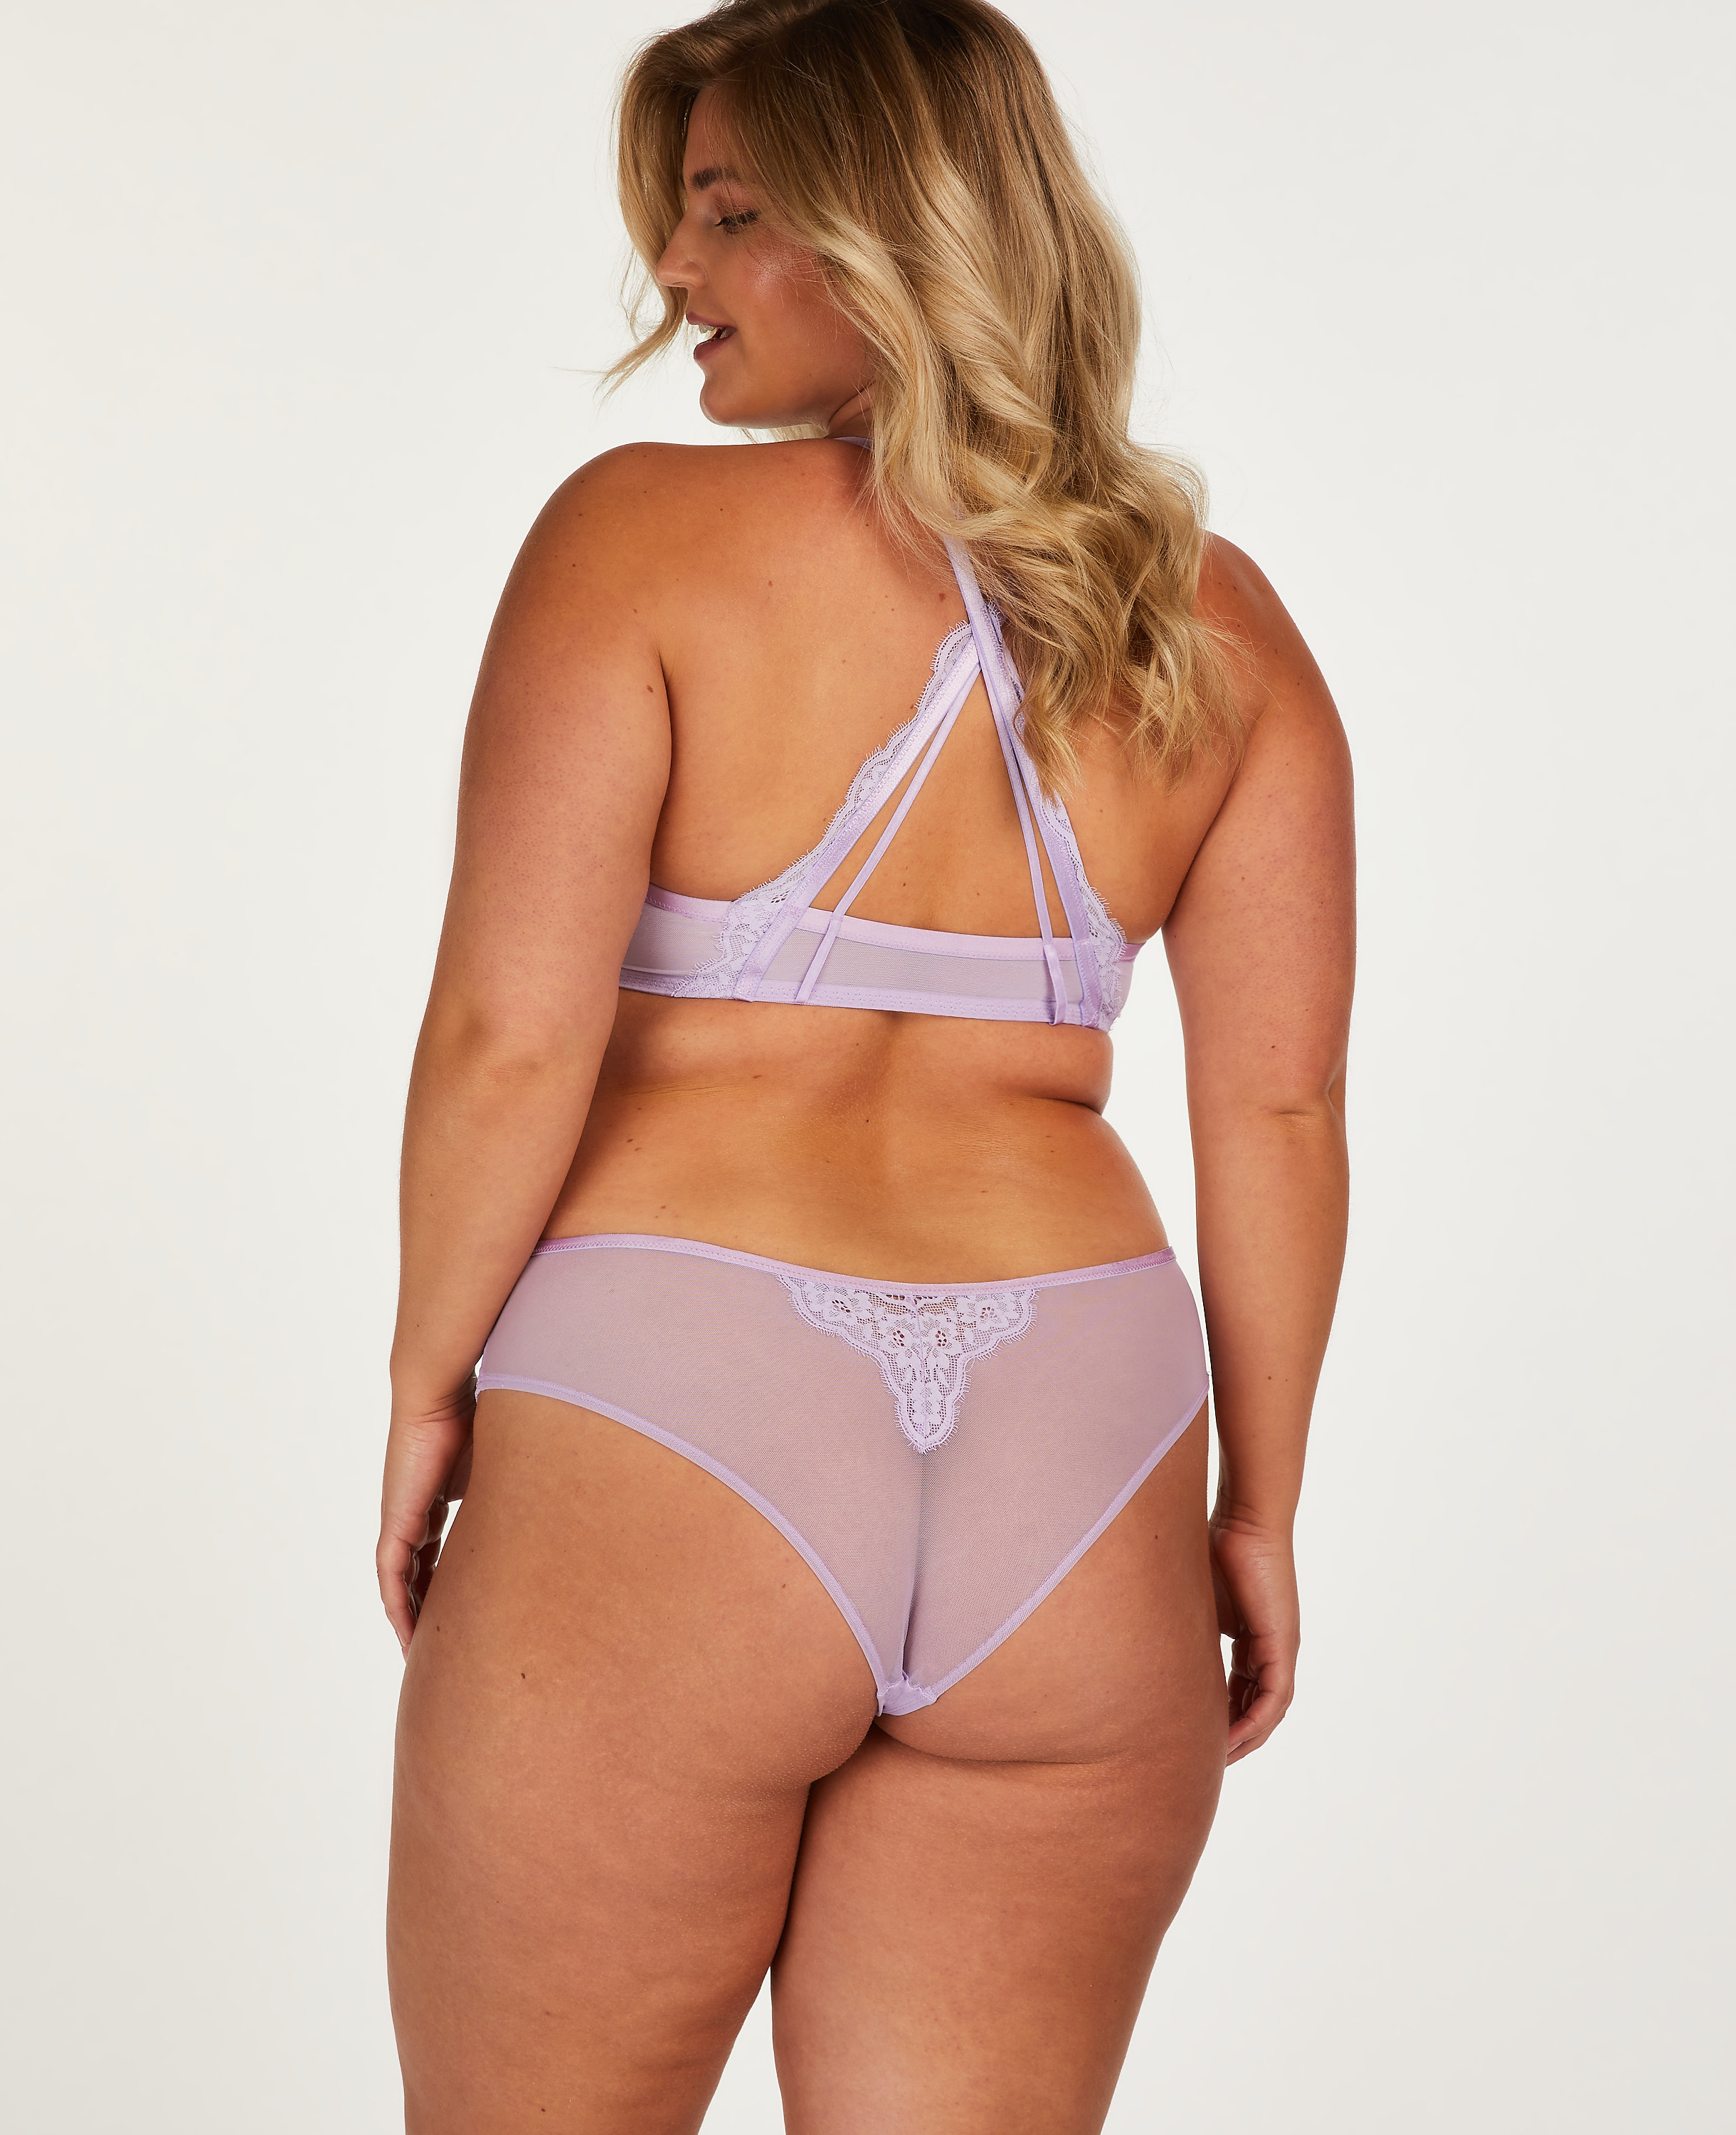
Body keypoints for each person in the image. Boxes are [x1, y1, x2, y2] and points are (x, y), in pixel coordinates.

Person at [378, 1, 1354, 2126]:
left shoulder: (636, 537)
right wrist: (1260, 1508)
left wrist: (427, 1387)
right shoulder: (1219, 628)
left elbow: (508, 1034)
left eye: (727, 214)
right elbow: (1276, 1115)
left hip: (676, 1405)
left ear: (890, 231)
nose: (674, 269)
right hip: (1083, 1453)